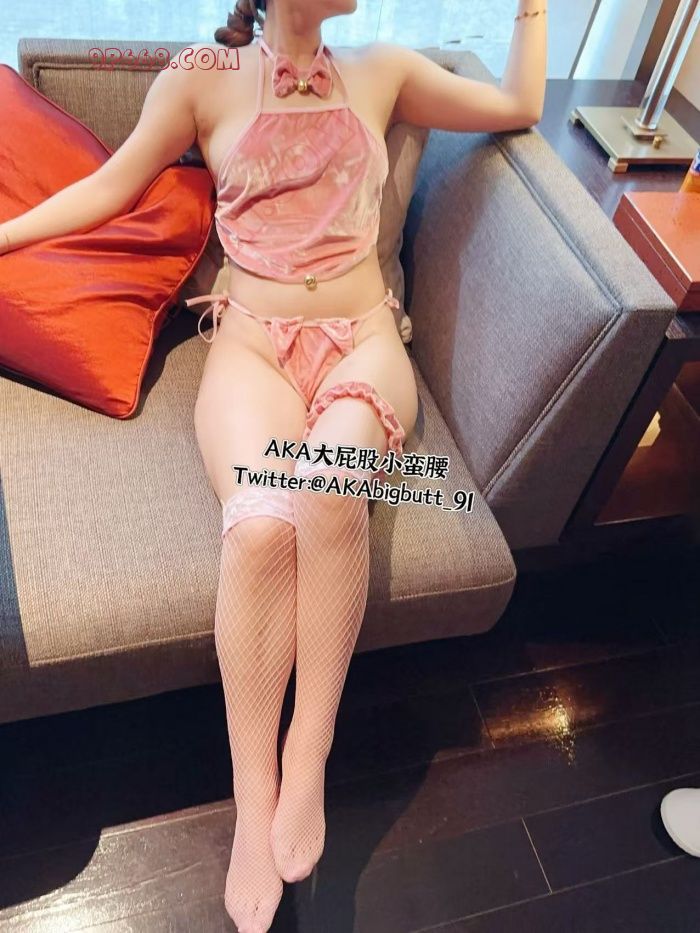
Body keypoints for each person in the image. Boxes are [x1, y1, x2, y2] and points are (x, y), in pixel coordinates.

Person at [0, 1, 546, 929]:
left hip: (363, 340)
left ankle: (308, 752)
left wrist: (533, 6)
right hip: (251, 345)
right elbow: (111, 187)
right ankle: (253, 801)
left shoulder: (382, 69)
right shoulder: (200, 79)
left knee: (328, 497)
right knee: (258, 530)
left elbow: (518, 104)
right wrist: (7, 237)